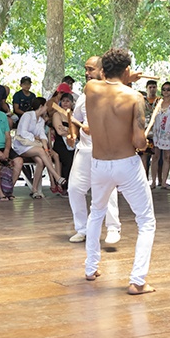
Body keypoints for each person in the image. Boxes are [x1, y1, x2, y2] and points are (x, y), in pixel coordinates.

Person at [82, 49, 153, 294]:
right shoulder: (135, 97)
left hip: (99, 162)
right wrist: (144, 142)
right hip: (126, 163)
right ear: (127, 70)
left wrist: (124, 78)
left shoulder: (91, 88)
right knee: (146, 221)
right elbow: (139, 142)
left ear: (102, 70)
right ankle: (137, 281)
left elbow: (106, 84)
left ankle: (91, 268)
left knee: (96, 212)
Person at [67, 56, 121, 244]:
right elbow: (75, 120)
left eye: (91, 69)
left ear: (102, 71)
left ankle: (113, 228)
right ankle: (82, 229)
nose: (87, 73)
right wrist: (73, 134)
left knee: (108, 190)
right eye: (86, 69)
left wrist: (97, 129)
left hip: (105, 151)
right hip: (84, 150)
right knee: (74, 189)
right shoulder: (83, 97)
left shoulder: (114, 94)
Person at [12, 97, 61, 199]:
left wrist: (46, 150)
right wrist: (34, 137)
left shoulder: (41, 121)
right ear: (41, 106)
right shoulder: (27, 115)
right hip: (22, 146)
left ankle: (34, 190)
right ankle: (56, 177)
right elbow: (22, 132)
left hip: (33, 146)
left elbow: (42, 136)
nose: (47, 108)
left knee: (40, 161)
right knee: (40, 150)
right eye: (46, 106)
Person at [147, 81, 170, 189]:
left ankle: (164, 182)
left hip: (169, 134)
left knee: (167, 157)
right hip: (157, 133)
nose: (166, 91)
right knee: (155, 156)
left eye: (168, 89)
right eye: (164, 89)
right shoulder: (157, 103)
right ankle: (153, 181)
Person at [49, 91, 75, 195]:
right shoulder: (57, 114)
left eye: (67, 101)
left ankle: (75, 185)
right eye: (63, 101)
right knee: (68, 159)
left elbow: (78, 130)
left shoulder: (75, 115)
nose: (65, 103)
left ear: (72, 103)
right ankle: (65, 185)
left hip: (73, 142)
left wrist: (67, 130)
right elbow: (59, 131)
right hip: (61, 143)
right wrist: (71, 131)